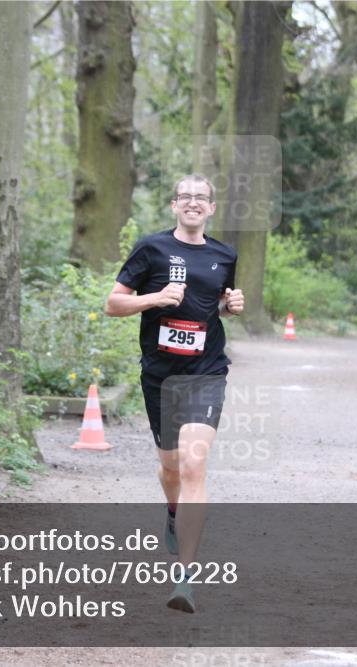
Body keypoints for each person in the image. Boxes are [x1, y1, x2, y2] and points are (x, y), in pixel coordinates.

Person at [105, 174, 244, 613]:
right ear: (174, 205)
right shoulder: (152, 248)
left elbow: (212, 305)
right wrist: (154, 298)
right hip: (160, 376)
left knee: (193, 464)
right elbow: (113, 304)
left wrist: (229, 307)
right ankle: (172, 510)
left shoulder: (224, 255)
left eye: (201, 198)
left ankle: (184, 578)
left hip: (206, 372)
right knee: (170, 469)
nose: (193, 203)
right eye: (186, 196)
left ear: (212, 208)